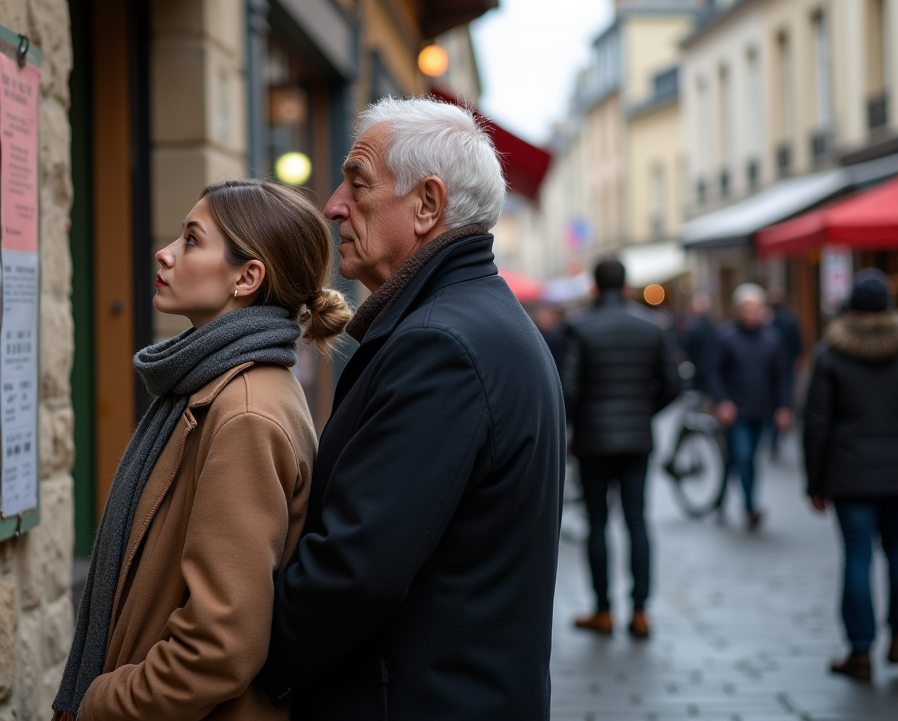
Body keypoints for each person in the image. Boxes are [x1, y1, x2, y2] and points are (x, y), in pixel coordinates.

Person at [257, 97, 565, 719]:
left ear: (427, 205)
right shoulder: (473, 321)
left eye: (358, 182)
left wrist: (246, 663)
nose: (334, 205)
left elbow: (355, 569)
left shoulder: (440, 343)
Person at [53, 180, 352, 721]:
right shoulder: (215, 386)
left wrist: (104, 703)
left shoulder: (243, 413)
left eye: (192, 240)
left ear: (247, 277)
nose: (164, 252)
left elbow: (220, 645)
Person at [560, 259, 680, 639]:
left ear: (595, 286)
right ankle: (641, 610)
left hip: (594, 440)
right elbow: (673, 385)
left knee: (597, 523)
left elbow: (569, 388)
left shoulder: (579, 327)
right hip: (636, 439)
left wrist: (576, 427)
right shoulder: (650, 326)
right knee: (637, 521)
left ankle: (603, 609)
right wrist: (644, 411)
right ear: (626, 285)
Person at [803, 269, 898, 682]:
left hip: (849, 471)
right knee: (897, 554)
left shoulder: (831, 352)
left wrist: (815, 482)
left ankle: (860, 649)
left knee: (857, 557)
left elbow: (817, 424)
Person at [708, 282, 793, 530]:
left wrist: (783, 407)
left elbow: (781, 376)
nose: (750, 314)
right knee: (743, 456)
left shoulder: (773, 338)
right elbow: (713, 372)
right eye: (746, 308)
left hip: (762, 409)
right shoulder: (725, 336)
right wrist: (722, 401)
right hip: (736, 411)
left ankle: (724, 497)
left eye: (754, 308)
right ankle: (749, 505)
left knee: (748, 458)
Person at [766, 287, 805, 459]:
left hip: (773, 368)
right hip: (784, 367)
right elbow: (799, 344)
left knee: (777, 401)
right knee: (783, 400)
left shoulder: (770, 320)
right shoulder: (787, 319)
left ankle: (774, 433)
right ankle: (776, 433)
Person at [681, 292, 716, 394]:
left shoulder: (692, 328)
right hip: (708, 370)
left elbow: (684, 352)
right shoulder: (712, 326)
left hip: (697, 371)